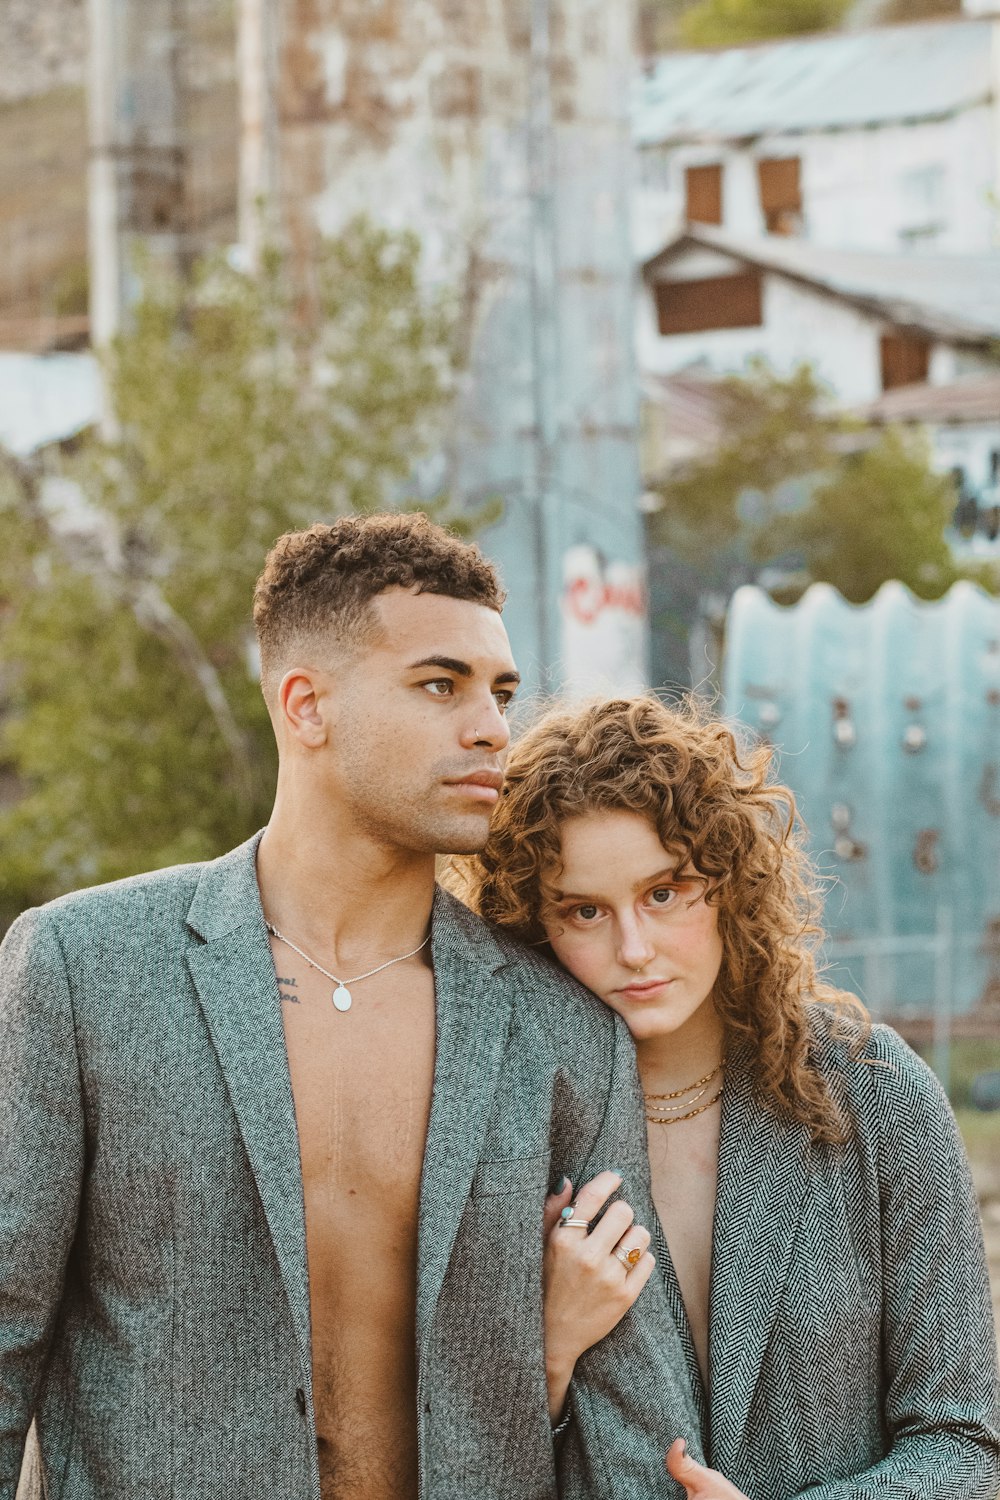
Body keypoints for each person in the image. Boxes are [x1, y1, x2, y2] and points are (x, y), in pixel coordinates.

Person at [0, 516, 703, 1500]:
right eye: (438, 684)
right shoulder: (84, 969)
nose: (491, 726)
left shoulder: (563, 1033)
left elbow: (628, 1414)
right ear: (306, 705)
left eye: (500, 692)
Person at [457, 693, 1000, 1500]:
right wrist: (547, 1353)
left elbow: (966, 1444)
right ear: (533, 925)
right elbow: (458, 1469)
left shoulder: (875, 1093)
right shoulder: (504, 1132)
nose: (633, 949)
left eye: (665, 892)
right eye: (584, 910)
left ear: (730, 881)